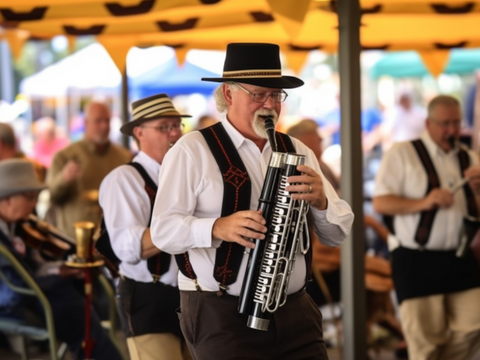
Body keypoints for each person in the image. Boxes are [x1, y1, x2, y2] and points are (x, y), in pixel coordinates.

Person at [150, 42, 354, 360]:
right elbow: (163, 231)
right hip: (220, 313)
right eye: (259, 94)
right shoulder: (192, 150)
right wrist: (217, 227)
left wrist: (322, 202)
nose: (269, 105)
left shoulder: (297, 148)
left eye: (276, 95)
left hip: (295, 310)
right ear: (229, 95)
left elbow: (337, 233)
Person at [373, 95, 480, 360]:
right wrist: (425, 201)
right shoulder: (402, 153)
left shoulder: (468, 156)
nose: (452, 131)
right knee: (425, 343)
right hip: (416, 259)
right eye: (445, 123)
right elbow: (381, 202)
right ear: (427, 122)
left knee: (474, 326)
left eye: (456, 123)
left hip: (460, 256)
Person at [0, 158, 123, 360]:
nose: (33, 205)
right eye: (30, 197)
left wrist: (60, 270)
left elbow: (31, 268)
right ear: (7, 200)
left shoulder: (15, 226)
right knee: (77, 312)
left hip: (35, 295)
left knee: (82, 309)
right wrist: (59, 276)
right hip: (17, 302)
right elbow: (17, 285)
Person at [99, 94, 191, 360]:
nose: (174, 133)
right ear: (139, 132)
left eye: (177, 125)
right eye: (164, 127)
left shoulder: (184, 175)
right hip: (149, 297)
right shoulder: (124, 179)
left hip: (192, 297)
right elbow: (130, 247)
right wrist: (193, 227)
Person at [46, 101, 132, 239]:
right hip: (74, 240)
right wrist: (64, 179)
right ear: (86, 123)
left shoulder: (124, 156)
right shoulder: (65, 156)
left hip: (114, 239)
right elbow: (52, 196)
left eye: (107, 121)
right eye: (98, 121)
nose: (104, 126)